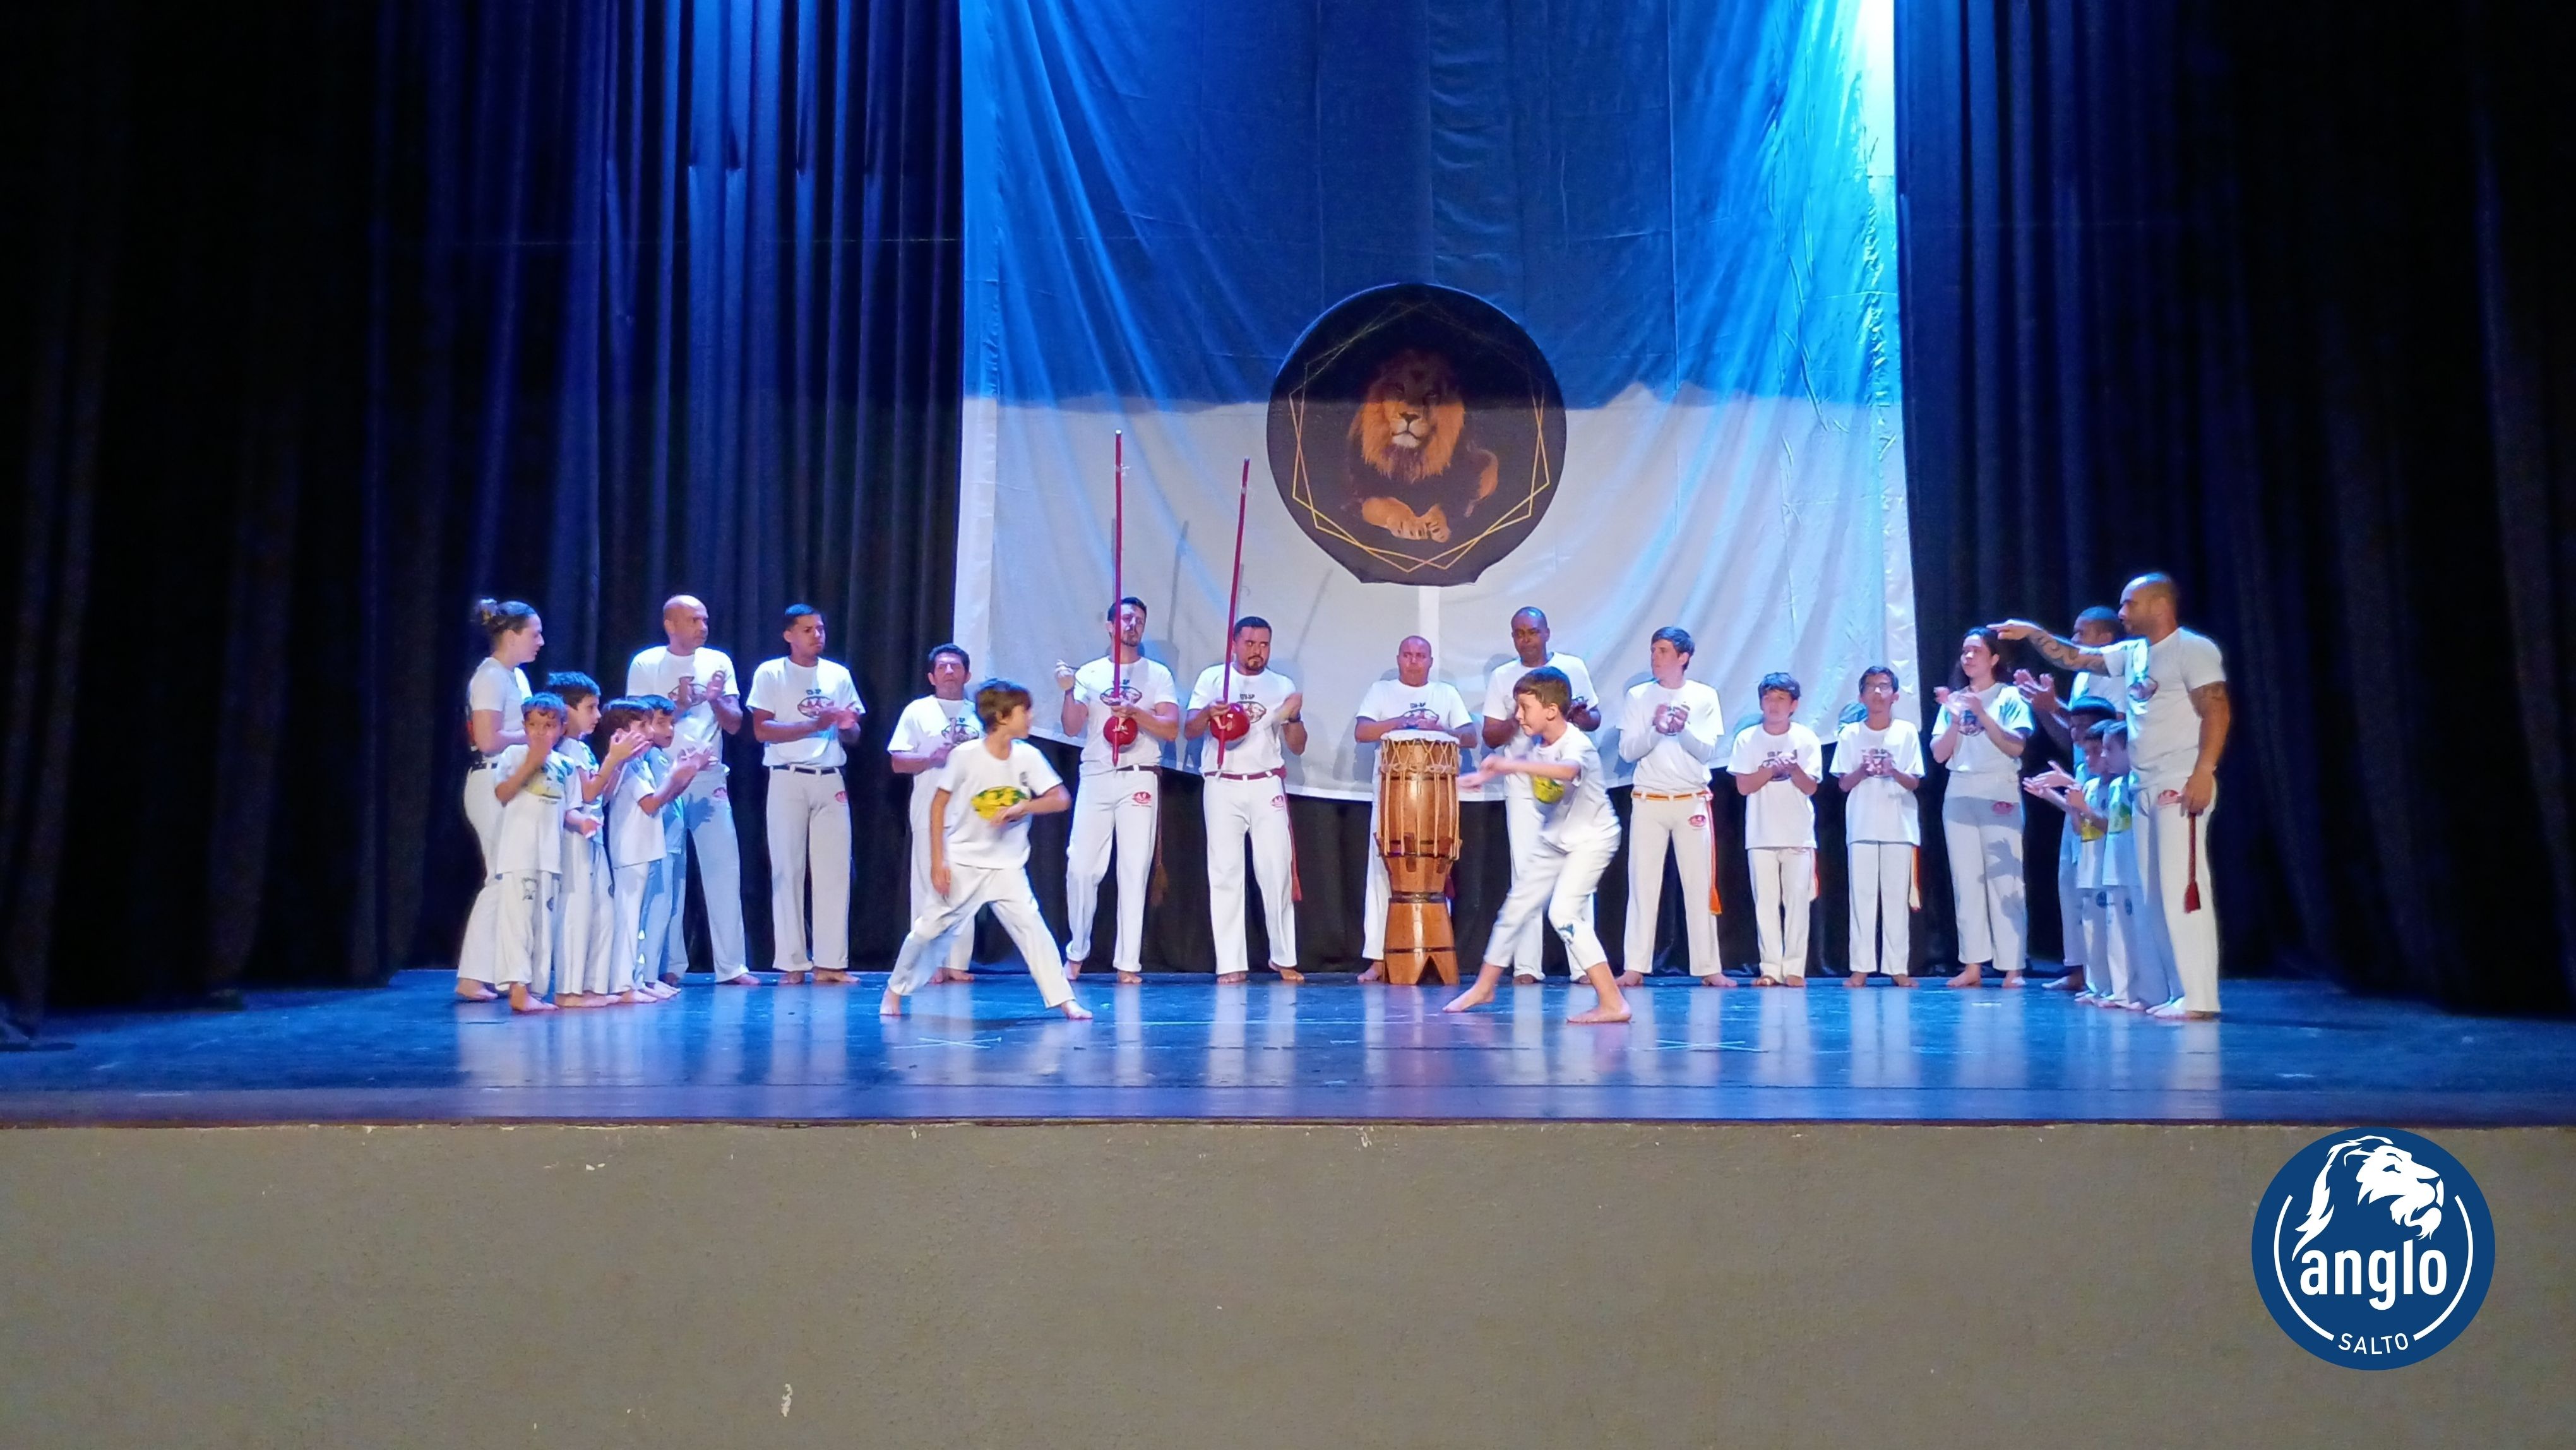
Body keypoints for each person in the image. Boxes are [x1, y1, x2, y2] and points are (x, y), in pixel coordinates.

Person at [1995, 573, 2231, 1019]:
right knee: (2151, 894)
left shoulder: (2193, 649)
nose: (2122, 613)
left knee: (2181, 888)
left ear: (2160, 605)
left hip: (2179, 779)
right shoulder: (2133, 653)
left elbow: (2216, 709)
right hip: (2142, 783)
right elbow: (2076, 657)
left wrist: (2204, 771)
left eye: (2130, 604)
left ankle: (2199, 995)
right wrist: (2033, 633)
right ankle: (2172, 990)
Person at [881, 680, 1092, 1021]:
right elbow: (938, 805)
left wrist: (1024, 807)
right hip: (965, 863)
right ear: (1003, 717)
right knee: (929, 930)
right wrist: (938, 861)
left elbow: (1060, 798)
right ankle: (895, 989)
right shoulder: (966, 756)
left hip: (1008, 867)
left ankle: (1064, 999)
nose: (1031, 717)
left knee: (1033, 929)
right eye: (1025, 711)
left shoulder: (1028, 756)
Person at [1443, 668, 1631, 1023]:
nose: (1517, 715)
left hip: (1593, 839)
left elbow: (1567, 770)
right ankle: (1484, 987)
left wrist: (1507, 764)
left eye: (1525, 707)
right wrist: (1487, 773)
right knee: (1516, 907)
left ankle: (1613, 1002)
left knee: (1564, 913)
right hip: (1557, 836)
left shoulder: (1577, 745)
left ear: (1551, 710)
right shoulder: (1539, 743)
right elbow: (1532, 764)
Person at [624, 595, 754, 987]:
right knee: (668, 876)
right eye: (694, 620)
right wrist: (678, 706)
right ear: (670, 625)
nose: (703, 627)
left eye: (705, 620)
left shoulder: (718, 661)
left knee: (724, 870)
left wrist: (714, 700)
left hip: (710, 780)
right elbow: (637, 725)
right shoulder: (647, 663)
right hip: (664, 779)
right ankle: (668, 965)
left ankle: (732, 967)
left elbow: (735, 724)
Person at [1054, 597, 1180, 984]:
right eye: (1126, 618)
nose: (1132, 624)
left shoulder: (1157, 674)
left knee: (1134, 867)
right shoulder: (1091, 673)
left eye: (1139, 620)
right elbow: (1072, 727)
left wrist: (1136, 713)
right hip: (1097, 773)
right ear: (1110, 626)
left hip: (1139, 775)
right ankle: (1077, 950)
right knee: (1080, 867)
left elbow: (1170, 728)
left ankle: (1128, 962)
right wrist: (1069, 690)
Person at [1184, 617, 1308, 984]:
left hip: (1266, 783)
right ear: (1234, 643)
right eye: (1250, 643)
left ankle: (1283, 957)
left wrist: (1294, 716)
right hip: (1222, 782)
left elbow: (1298, 746)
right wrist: (1209, 713)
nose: (1257, 651)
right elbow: (1189, 729)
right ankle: (1230, 962)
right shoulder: (1213, 679)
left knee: (1276, 870)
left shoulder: (1282, 685)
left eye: (1264, 645)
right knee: (1225, 872)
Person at [1480, 607, 1601, 982]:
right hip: (1523, 785)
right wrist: (1518, 716)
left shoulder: (1572, 668)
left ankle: (1584, 965)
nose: (1526, 639)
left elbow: (1595, 720)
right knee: (1526, 874)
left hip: (1568, 786)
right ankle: (1527, 965)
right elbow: (1489, 736)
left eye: (1532, 631)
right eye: (1519, 633)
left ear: (1547, 633)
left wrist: (1577, 716)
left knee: (1577, 870)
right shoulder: (1503, 677)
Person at [746, 604, 865, 985]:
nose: (817, 635)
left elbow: (854, 734)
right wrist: (815, 724)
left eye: (821, 628)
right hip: (787, 777)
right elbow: (762, 730)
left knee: (835, 872)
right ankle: (792, 963)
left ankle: (831, 962)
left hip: (830, 776)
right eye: (808, 629)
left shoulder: (838, 674)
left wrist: (845, 726)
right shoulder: (771, 673)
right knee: (788, 869)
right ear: (789, 635)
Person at [1351, 635, 1478, 982]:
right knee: (1382, 875)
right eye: (1407, 655)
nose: (1413, 661)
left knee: (1433, 875)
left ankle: (1433, 952)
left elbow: (1470, 736)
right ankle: (1378, 959)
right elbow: (1363, 732)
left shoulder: (1445, 693)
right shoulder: (1381, 691)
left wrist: (1441, 729)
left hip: (1434, 802)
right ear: (1398, 658)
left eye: (1420, 656)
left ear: (1430, 661)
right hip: (1393, 797)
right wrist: (1399, 723)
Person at [2013, 606, 2121, 993]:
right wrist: (2047, 710)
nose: (2074, 640)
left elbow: (2105, 730)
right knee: (2071, 880)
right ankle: (2078, 968)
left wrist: (2053, 707)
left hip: (2106, 785)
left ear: (2105, 638)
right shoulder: (2081, 680)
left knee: (2101, 882)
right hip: (2080, 784)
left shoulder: (2116, 674)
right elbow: (2073, 736)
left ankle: (2109, 974)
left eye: (2081, 633)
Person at [1616, 627, 1727, 987]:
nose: (1655, 657)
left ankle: (1709, 967)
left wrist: (1682, 729)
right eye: (1653, 650)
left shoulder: (1704, 695)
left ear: (1684, 657)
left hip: (1691, 800)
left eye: (1663, 651)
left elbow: (1707, 752)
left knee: (1699, 885)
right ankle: (1635, 966)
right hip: (1649, 799)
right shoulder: (1638, 696)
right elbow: (1627, 752)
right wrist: (1655, 729)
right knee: (1643, 885)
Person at [1931, 627, 2036, 987]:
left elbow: (2016, 746)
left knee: (2005, 880)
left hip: (1998, 789)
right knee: (1966, 881)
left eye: (1976, 651)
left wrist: (1983, 715)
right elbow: (1939, 754)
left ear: (1994, 658)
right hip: (1960, 790)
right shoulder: (1955, 700)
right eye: (1965, 651)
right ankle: (1973, 965)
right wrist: (1955, 718)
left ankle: (2013, 967)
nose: (1968, 657)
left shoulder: (2009, 696)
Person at [458, 598, 543, 1001]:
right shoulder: (490, 677)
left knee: (508, 877)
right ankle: (475, 975)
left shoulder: (517, 678)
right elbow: (487, 738)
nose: (540, 642)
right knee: (501, 876)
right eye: (534, 634)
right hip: (490, 779)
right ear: (511, 636)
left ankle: (491, 972)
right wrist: (534, 736)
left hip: (512, 778)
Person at [544, 673, 644, 1007]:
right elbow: (586, 793)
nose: (597, 715)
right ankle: (569, 989)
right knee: (577, 912)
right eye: (590, 708)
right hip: (574, 837)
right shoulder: (566, 748)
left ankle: (593, 986)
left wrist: (620, 761)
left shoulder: (583, 749)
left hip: (593, 834)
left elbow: (602, 795)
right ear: (567, 710)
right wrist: (613, 759)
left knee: (602, 912)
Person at [489, 693, 592, 1014]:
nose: (540, 732)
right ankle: (518, 989)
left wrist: (584, 822)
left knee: (543, 926)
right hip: (519, 854)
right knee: (518, 923)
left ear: (561, 729)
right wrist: (531, 763)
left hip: (550, 857)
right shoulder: (514, 754)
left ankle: (534, 988)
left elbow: (569, 809)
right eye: (533, 725)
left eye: (548, 726)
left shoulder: (565, 765)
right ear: (524, 727)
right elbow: (503, 792)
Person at [888, 644, 984, 985]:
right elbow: (898, 761)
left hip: (971, 812)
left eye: (956, 667)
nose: (949, 672)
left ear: (967, 675)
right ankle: (928, 962)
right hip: (930, 807)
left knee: (966, 886)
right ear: (931, 677)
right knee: (929, 884)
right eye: (942, 667)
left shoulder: (979, 714)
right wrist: (931, 758)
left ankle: (958, 962)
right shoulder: (918, 711)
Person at [604, 696, 709, 1002]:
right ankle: (624, 984)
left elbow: (658, 799)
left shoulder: (639, 764)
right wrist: (679, 774)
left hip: (646, 848)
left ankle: (638, 980)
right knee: (629, 919)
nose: (651, 732)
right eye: (643, 725)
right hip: (630, 850)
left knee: (641, 918)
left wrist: (681, 774)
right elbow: (650, 803)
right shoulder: (627, 766)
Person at [1730, 673, 1824, 986]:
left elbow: (1811, 787)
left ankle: (1795, 968)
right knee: (1766, 905)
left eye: (1781, 699)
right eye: (1768, 698)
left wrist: (1793, 768)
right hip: (1760, 834)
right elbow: (1744, 786)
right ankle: (1770, 968)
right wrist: (1771, 769)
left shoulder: (1806, 739)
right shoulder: (1747, 739)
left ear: (1794, 705)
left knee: (1798, 903)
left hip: (1798, 832)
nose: (1774, 705)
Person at [1834, 666, 1924, 987]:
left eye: (1884, 686)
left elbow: (1914, 782)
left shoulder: (1906, 732)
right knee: (1862, 899)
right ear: (1861, 696)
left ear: (1895, 695)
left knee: (1896, 899)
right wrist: (1864, 770)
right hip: (1862, 825)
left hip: (1899, 825)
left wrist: (1893, 770)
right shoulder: (1850, 734)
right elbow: (1843, 783)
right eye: (1871, 686)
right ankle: (1861, 967)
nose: (1877, 692)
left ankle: (1897, 966)